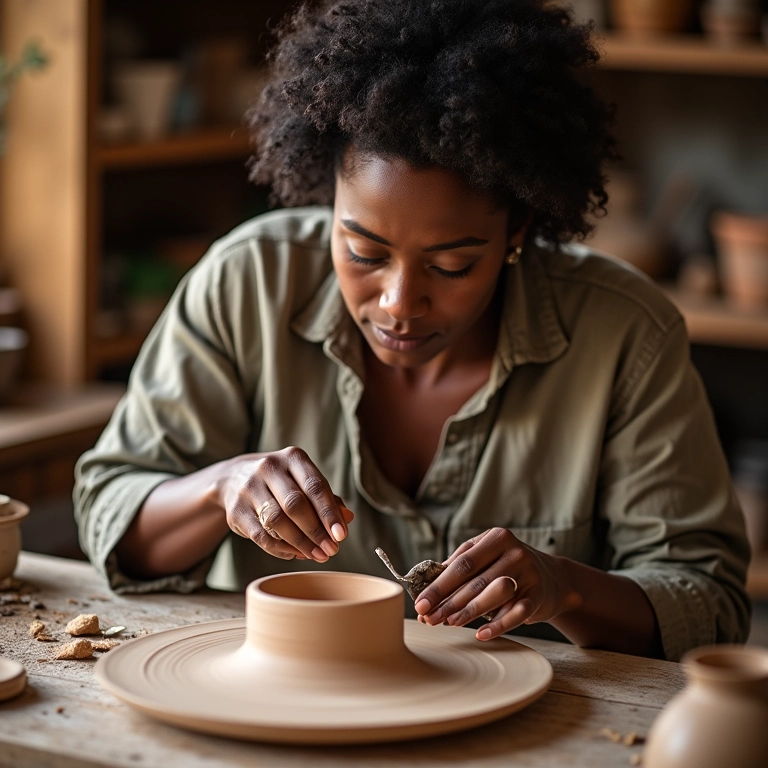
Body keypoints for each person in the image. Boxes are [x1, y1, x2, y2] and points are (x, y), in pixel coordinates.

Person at [74, 0, 751, 662]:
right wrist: (220, 488)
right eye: (364, 253)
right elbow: (111, 510)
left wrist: (563, 588)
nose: (400, 304)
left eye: (452, 265)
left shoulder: (624, 332)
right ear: (326, 201)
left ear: (517, 231)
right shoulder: (247, 284)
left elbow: (708, 606)